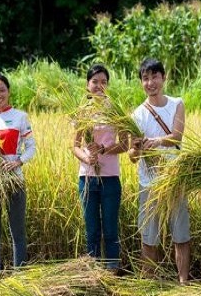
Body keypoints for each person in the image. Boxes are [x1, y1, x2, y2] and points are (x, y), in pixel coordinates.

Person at [128, 58, 190, 284]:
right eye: (145, 78)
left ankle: (183, 283)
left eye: (155, 76)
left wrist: (154, 142)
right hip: (149, 183)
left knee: (181, 234)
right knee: (149, 237)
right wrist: (137, 149)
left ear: (164, 78)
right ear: (141, 82)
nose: (150, 82)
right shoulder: (137, 115)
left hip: (174, 180)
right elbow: (132, 156)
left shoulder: (177, 104)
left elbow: (177, 136)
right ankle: (149, 282)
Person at [71, 64, 126, 270]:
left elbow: (124, 144)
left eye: (103, 82)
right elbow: (75, 146)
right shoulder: (81, 111)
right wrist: (87, 158)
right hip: (87, 178)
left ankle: (112, 273)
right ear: (87, 85)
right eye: (95, 82)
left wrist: (102, 149)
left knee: (111, 230)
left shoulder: (116, 110)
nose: (99, 86)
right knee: (92, 230)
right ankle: (93, 276)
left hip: (110, 178)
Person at [0, 74, 36, 273]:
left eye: (2, 90)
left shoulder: (20, 117)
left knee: (17, 232)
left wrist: (18, 162)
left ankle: (19, 276)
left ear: (9, 91)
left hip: (14, 180)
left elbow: (31, 148)